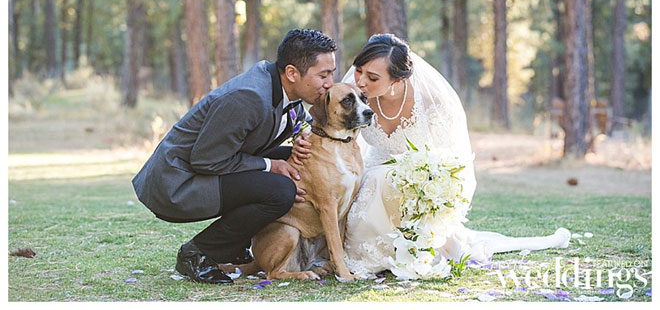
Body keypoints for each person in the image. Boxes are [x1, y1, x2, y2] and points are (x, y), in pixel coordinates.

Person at [295, 33, 570, 278]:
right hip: (373, 178)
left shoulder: (431, 105)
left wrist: (432, 191)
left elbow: (448, 161)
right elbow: (328, 131)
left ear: (397, 79)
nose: (361, 83)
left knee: (386, 184)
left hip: (415, 184)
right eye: (359, 71)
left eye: (373, 78)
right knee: (375, 182)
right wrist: (300, 145)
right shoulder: (354, 97)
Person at [132, 29, 337, 284]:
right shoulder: (248, 97)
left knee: (299, 163)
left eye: (332, 74)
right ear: (293, 73)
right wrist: (271, 165)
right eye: (323, 75)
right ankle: (198, 252)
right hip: (176, 182)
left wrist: (303, 140)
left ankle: (239, 244)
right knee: (280, 190)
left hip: (209, 164)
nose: (329, 83)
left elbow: (300, 124)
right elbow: (206, 160)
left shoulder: (286, 88)